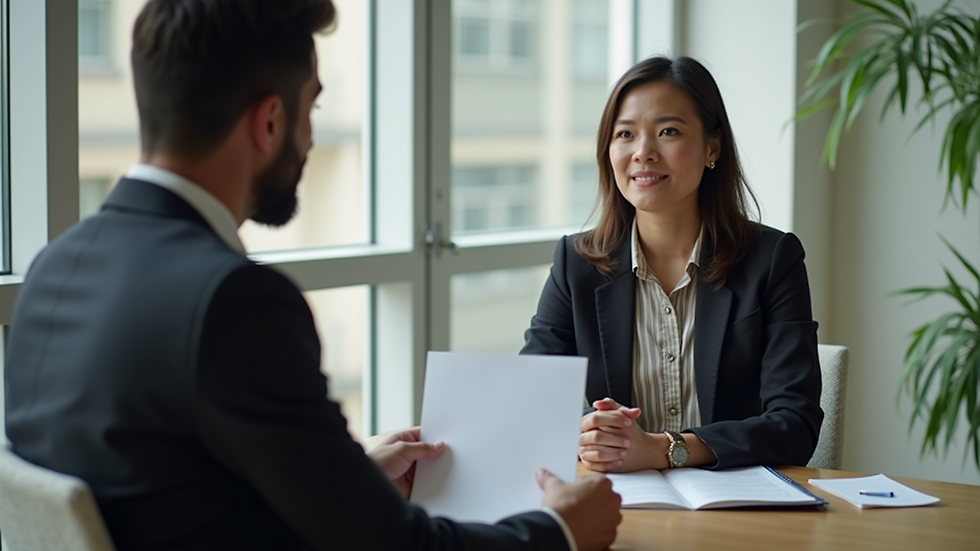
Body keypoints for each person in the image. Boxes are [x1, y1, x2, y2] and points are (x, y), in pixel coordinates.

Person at [3, 1, 621, 550]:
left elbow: (168, 491)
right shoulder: (233, 302)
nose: (310, 136)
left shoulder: (56, 266)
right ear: (269, 122)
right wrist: (558, 531)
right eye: (311, 109)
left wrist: (342, 477)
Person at [521, 56, 823, 473]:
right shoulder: (576, 265)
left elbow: (795, 426)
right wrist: (591, 433)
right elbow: (531, 399)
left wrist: (665, 449)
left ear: (712, 147)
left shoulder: (773, 260)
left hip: (735, 506)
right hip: (616, 503)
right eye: (625, 134)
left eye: (668, 132)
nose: (643, 152)